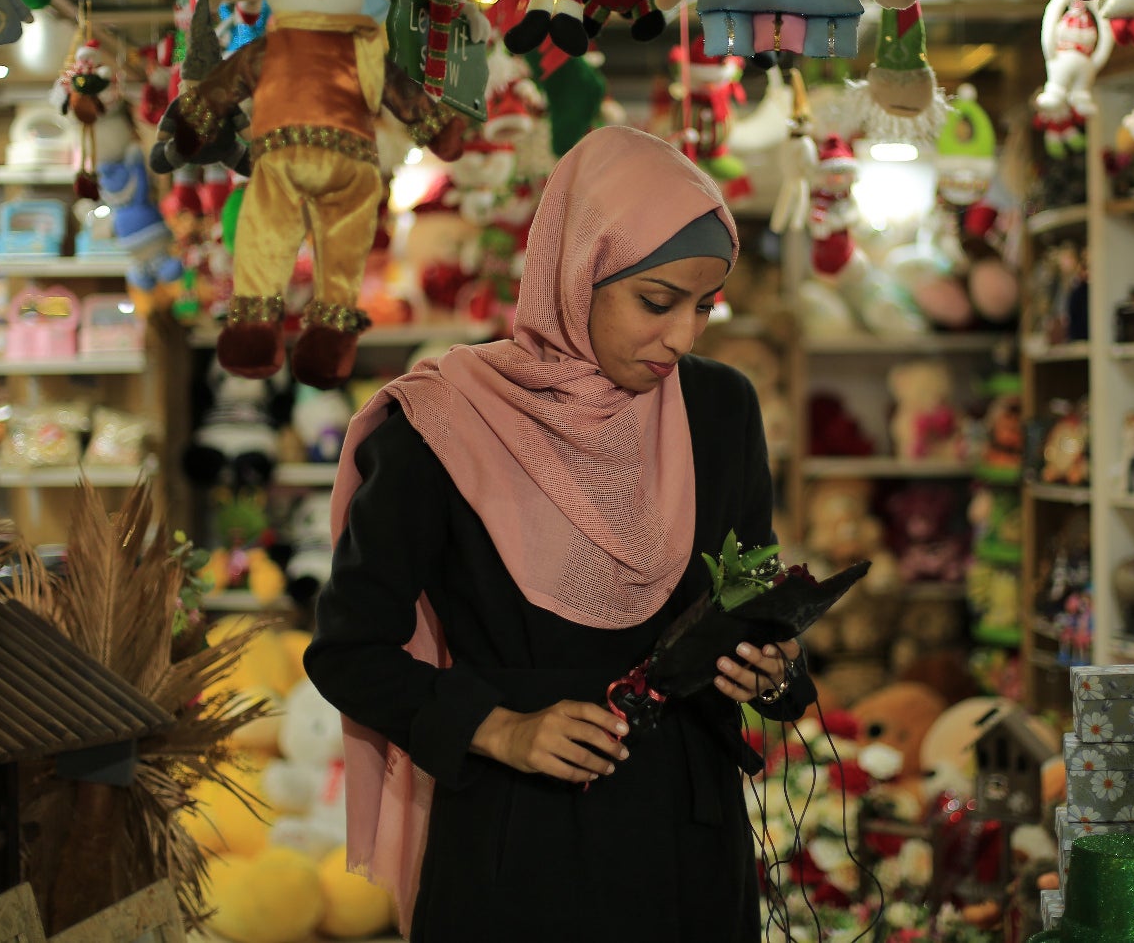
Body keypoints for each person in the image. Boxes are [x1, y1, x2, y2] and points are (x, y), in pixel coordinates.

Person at [305, 124, 815, 942]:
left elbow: (750, 592)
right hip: (519, 847)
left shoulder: (719, 410)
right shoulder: (444, 424)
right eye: (656, 302)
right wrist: (500, 727)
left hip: (690, 845)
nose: (682, 338)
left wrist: (776, 668)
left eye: (704, 307)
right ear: (576, 273)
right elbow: (348, 652)